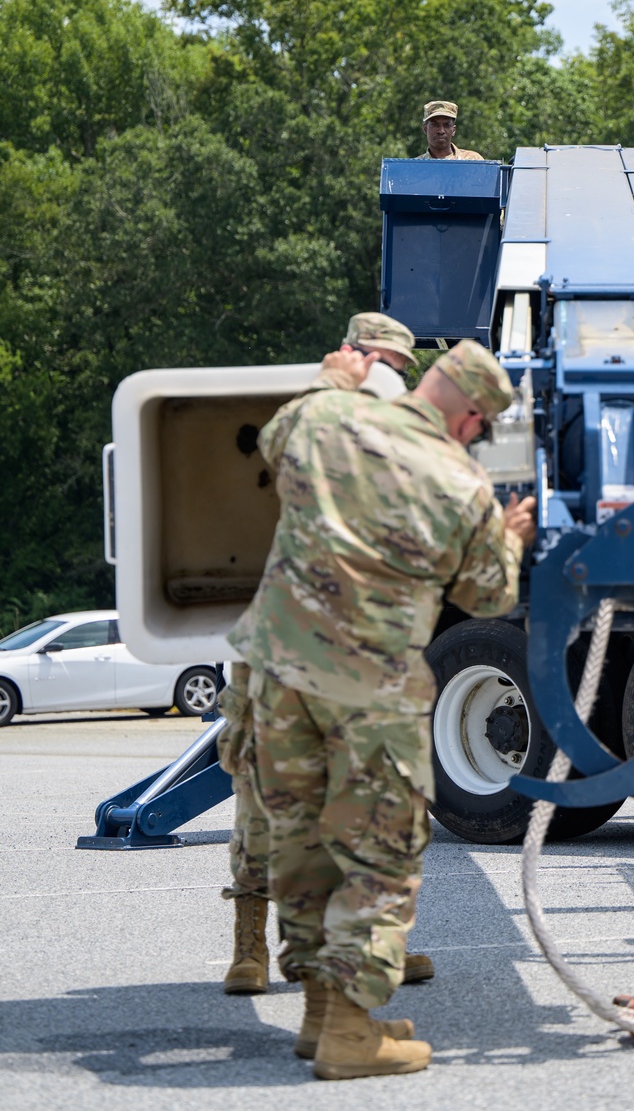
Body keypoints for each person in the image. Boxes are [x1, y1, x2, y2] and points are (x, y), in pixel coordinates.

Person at [226, 339, 536, 1081]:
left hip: (279, 674)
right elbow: (489, 595)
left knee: (299, 842)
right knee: (378, 854)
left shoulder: (327, 416)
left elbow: (275, 438)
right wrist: (510, 538)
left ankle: (319, 1015)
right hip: (370, 691)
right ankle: (351, 1033)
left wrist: (331, 379)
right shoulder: (458, 479)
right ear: (469, 419)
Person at [218, 312, 433, 1000]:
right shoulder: (311, 417)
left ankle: (366, 945)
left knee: (360, 798)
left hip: (349, 642)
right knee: (260, 791)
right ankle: (249, 943)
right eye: (382, 363)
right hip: (278, 631)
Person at [415, 99, 484, 160]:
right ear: (425, 128)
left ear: (453, 130)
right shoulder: (416, 166)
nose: (441, 131)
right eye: (435, 125)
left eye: (447, 125)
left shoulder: (472, 160)